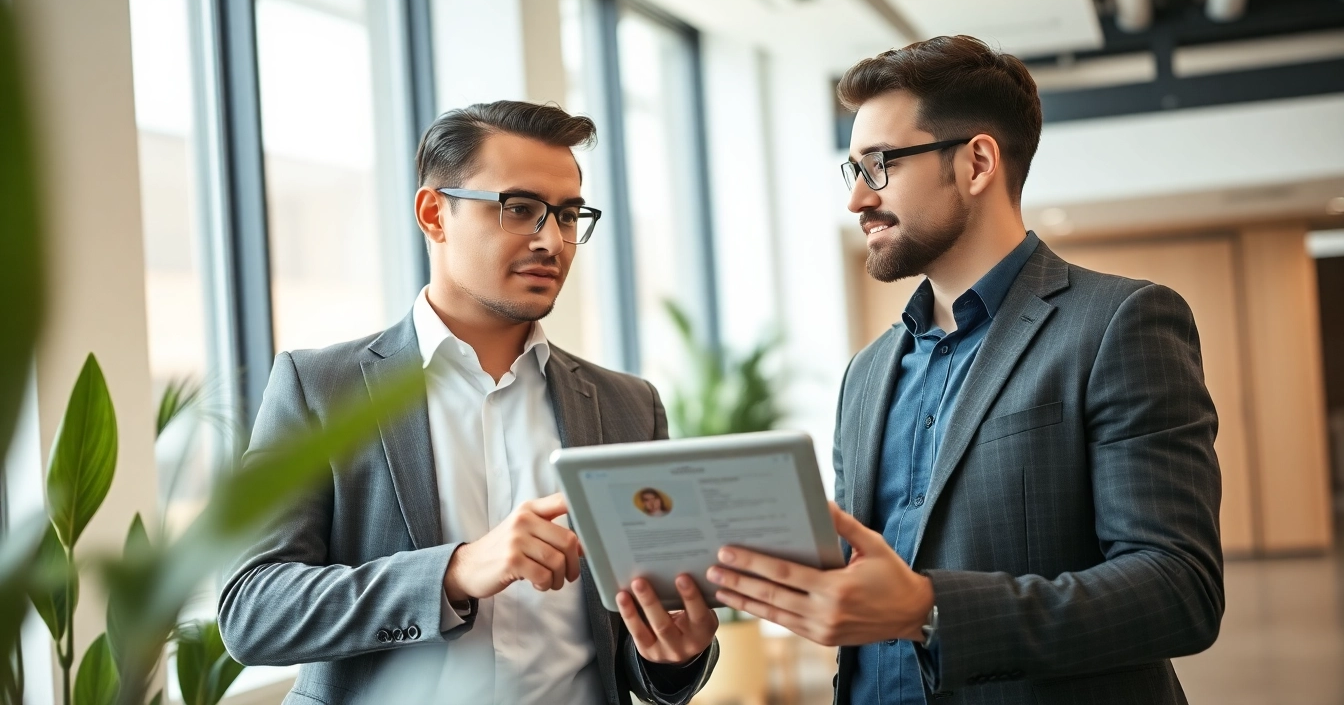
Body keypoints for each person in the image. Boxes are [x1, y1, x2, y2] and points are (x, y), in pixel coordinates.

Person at [703, 36, 1223, 704]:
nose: (858, 199)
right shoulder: (867, 375)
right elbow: (865, 579)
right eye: (853, 169)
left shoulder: (1119, 323)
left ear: (977, 162)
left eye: (881, 164)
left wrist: (927, 607)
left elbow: (1179, 589)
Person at [218, 101, 718, 705]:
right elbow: (252, 608)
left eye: (566, 215)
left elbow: (645, 645)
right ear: (435, 214)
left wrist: (675, 653)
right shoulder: (321, 389)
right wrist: (454, 572)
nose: (551, 240)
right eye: (521, 209)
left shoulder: (628, 406)